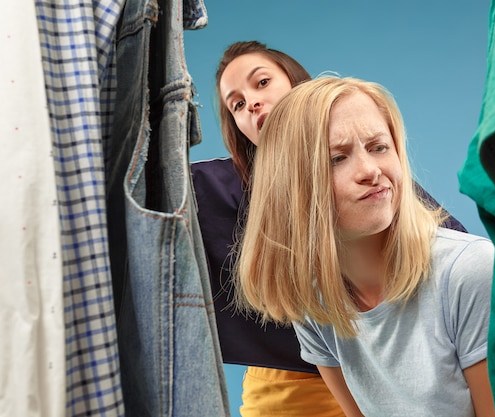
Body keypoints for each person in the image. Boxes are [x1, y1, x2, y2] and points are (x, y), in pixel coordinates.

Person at [191, 41, 467, 416]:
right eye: (237, 104)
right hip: (286, 391)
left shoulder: (373, 177)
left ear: (299, 85)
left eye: (261, 82)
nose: (251, 102)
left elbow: (452, 266)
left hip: (381, 377)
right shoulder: (211, 187)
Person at [235, 76, 495, 417]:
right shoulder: (315, 302)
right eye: (337, 158)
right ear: (291, 184)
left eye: (378, 147)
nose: (370, 171)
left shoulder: (469, 271)